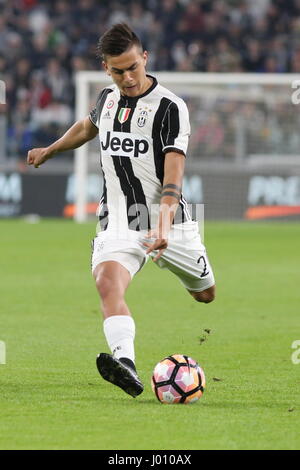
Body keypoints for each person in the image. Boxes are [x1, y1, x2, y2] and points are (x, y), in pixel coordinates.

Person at [27, 23, 216, 398]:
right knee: (106, 282)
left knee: (205, 295)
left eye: (133, 67)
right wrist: (50, 149)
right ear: (106, 68)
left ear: (144, 58)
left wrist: (161, 226)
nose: (128, 77)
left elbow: (173, 175)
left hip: (169, 221)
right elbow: (86, 126)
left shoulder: (169, 107)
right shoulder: (107, 99)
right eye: (118, 70)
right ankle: (125, 363)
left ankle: (177, 266)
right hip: (118, 218)